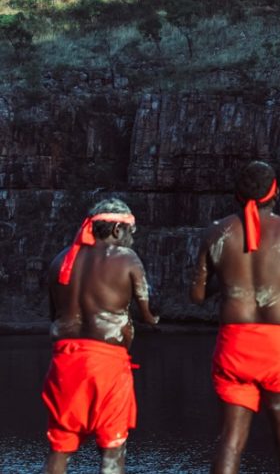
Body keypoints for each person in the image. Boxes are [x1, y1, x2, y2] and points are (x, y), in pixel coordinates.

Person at [190, 161, 280, 474]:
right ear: (276, 193)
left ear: (237, 196)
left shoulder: (217, 232)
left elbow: (198, 296)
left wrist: (227, 279)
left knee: (230, 441)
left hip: (235, 344)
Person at [41, 197, 159, 474]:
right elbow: (146, 312)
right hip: (107, 365)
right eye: (131, 232)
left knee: (59, 449)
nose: (132, 239)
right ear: (118, 230)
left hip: (64, 363)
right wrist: (153, 319)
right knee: (112, 451)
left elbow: (53, 314)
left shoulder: (61, 260)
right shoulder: (126, 258)